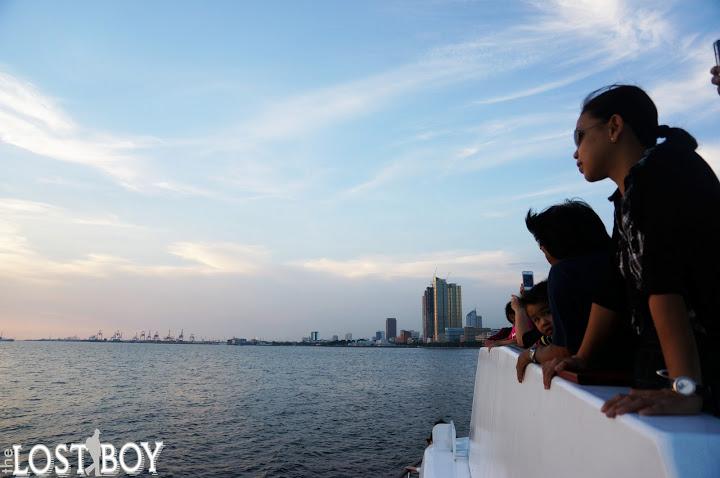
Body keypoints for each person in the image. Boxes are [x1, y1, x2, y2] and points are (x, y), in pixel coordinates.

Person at [555, 84, 720, 417]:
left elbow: (664, 283)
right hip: (670, 365)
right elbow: (613, 287)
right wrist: (582, 357)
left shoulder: (661, 173)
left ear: (614, 127)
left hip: (704, 370)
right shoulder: (631, 191)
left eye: (580, 137)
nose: (576, 153)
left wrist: (685, 388)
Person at [524, 200, 629, 377]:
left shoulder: (564, 274)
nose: (542, 249)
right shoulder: (619, 263)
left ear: (556, 242)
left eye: (542, 242)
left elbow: (564, 351)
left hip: (607, 378)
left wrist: (530, 354)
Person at [514, 280, 554, 383]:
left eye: (547, 312)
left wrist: (529, 355)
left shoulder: (567, 334)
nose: (543, 322)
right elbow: (526, 340)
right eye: (536, 319)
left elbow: (561, 351)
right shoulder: (547, 336)